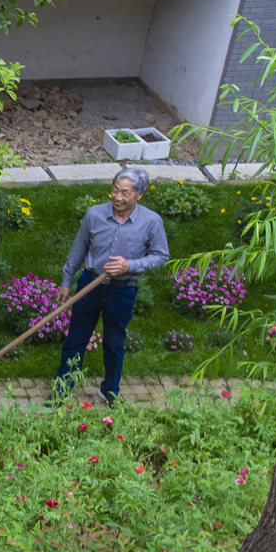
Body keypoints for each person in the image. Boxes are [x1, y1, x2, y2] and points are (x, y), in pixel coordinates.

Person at [55, 168, 170, 406]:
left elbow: (161, 256)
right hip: (90, 283)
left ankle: (110, 390)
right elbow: (78, 249)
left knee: (114, 343)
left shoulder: (151, 222)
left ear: (139, 194)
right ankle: (62, 389)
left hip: (123, 289)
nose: (117, 197)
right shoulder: (94, 215)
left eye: (125, 193)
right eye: (115, 190)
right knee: (76, 339)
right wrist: (66, 281)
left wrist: (130, 265)